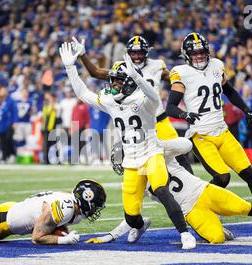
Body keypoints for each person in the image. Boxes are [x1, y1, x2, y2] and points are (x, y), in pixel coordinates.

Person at [60, 42, 196, 249]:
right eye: (112, 81)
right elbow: (83, 94)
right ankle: (140, 226)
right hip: (131, 160)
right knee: (132, 216)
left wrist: (138, 77)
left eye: (117, 82)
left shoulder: (143, 100)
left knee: (161, 189)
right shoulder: (110, 100)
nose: (112, 86)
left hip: (152, 153)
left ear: (130, 83)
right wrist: (71, 68)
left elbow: (152, 95)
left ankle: (185, 234)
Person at [86, 142, 252, 244]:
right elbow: (131, 216)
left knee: (245, 207)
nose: (124, 166)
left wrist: (160, 144)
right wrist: (112, 236)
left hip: (203, 190)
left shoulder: (160, 155)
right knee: (217, 239)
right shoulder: (137, 183)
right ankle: (214, 225)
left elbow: (185, 145)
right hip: (190, 210)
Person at [165, 32, 252, 215]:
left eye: (202, 51)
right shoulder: (181, 73)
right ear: (186, 55)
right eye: (194, 53)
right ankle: (195, 207)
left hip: (223, 131)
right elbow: (170, 107)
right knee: (222, 177)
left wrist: (247, 110)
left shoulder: (217, 65)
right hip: (201, 135)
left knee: (249, 173)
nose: (199, 55)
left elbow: (230, 92)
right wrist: (185, 115)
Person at [72, 35, 193, 174]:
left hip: (159, 119)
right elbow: (96, 72)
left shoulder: (156, 65)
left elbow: (176, 80)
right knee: (140, 163)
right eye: (133, 52)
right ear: (128, 53)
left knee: (179, 156)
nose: (136, 56)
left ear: (146, 52)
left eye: (140, 52)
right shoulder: (120, 67)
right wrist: (82, 55)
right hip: (136, 124)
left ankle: (190, 183)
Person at [0, 179, 106, 245]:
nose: (95, 209)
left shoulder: (71, 207)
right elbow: (36, 238)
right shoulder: (66, 208)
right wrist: (63, 240)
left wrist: (62, 233)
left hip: (11, 212)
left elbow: (53, 225)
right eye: (95, 205)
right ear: (86, 199)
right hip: (2, 220)